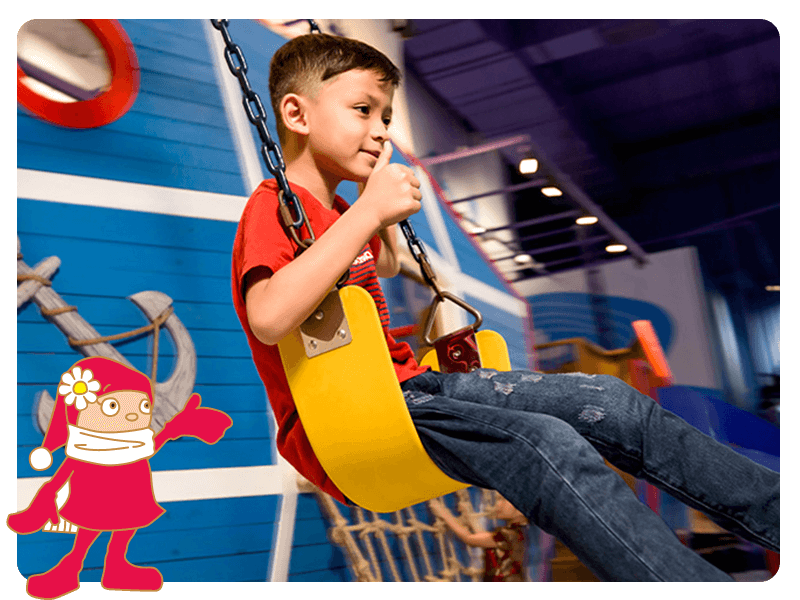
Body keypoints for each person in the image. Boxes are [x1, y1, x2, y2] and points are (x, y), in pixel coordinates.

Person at [230, 33, 779, 582]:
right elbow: (269, 317)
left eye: (387, 116)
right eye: (362, 110)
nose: (381, 130)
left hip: (415, 388)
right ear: (297, 115)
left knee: (613, 400)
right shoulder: (272, 208)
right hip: (357, 418)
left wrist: (376, 212)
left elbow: (384, 264)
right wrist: (369, 210)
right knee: (546, 442)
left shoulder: (336, 216)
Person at [429, 496, 528, 582]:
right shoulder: (517, 531)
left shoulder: (509, 534)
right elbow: (483, 538)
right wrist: (469, 516)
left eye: (503, 500)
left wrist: (444, 514)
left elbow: (469, 538)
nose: (498, 504)